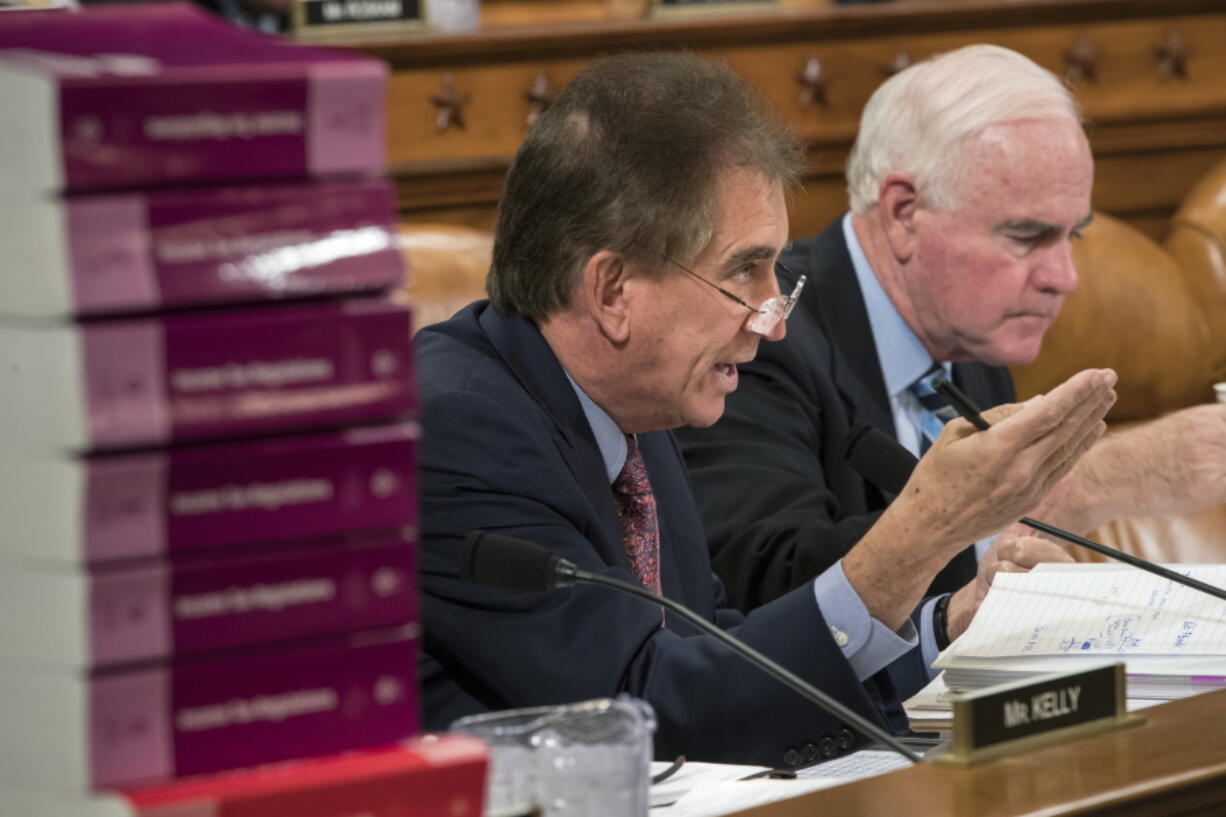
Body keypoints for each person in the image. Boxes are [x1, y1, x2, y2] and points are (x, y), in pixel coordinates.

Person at [415, 51, 1114, 767]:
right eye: (742, 271)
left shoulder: (635, 408)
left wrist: (945, 625)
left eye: (775, 270)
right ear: (614, 290)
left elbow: (719, 655)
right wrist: (922, 533)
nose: (773, 320)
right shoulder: (458, 430)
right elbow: (647, 714)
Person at [676, 44, 1226, 660]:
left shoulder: (975, 337)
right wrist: (1073, 487)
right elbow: (768, 591)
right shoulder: (766, 333)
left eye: (1071, 235)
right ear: (905, 212)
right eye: (1027, 236)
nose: (1065, 277)